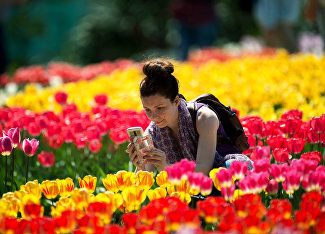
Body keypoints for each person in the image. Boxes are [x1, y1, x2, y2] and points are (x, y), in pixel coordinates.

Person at [127, 58, 253, 176]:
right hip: (187, 187)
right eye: (147, 110)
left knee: (230, 169)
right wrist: (140, 166)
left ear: (176, 101)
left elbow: (203, 171)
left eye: (160, 108)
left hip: (223, 173)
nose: (154, 117)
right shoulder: (152, 133)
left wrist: (166, 167)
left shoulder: (204, 118)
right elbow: (146, 178)